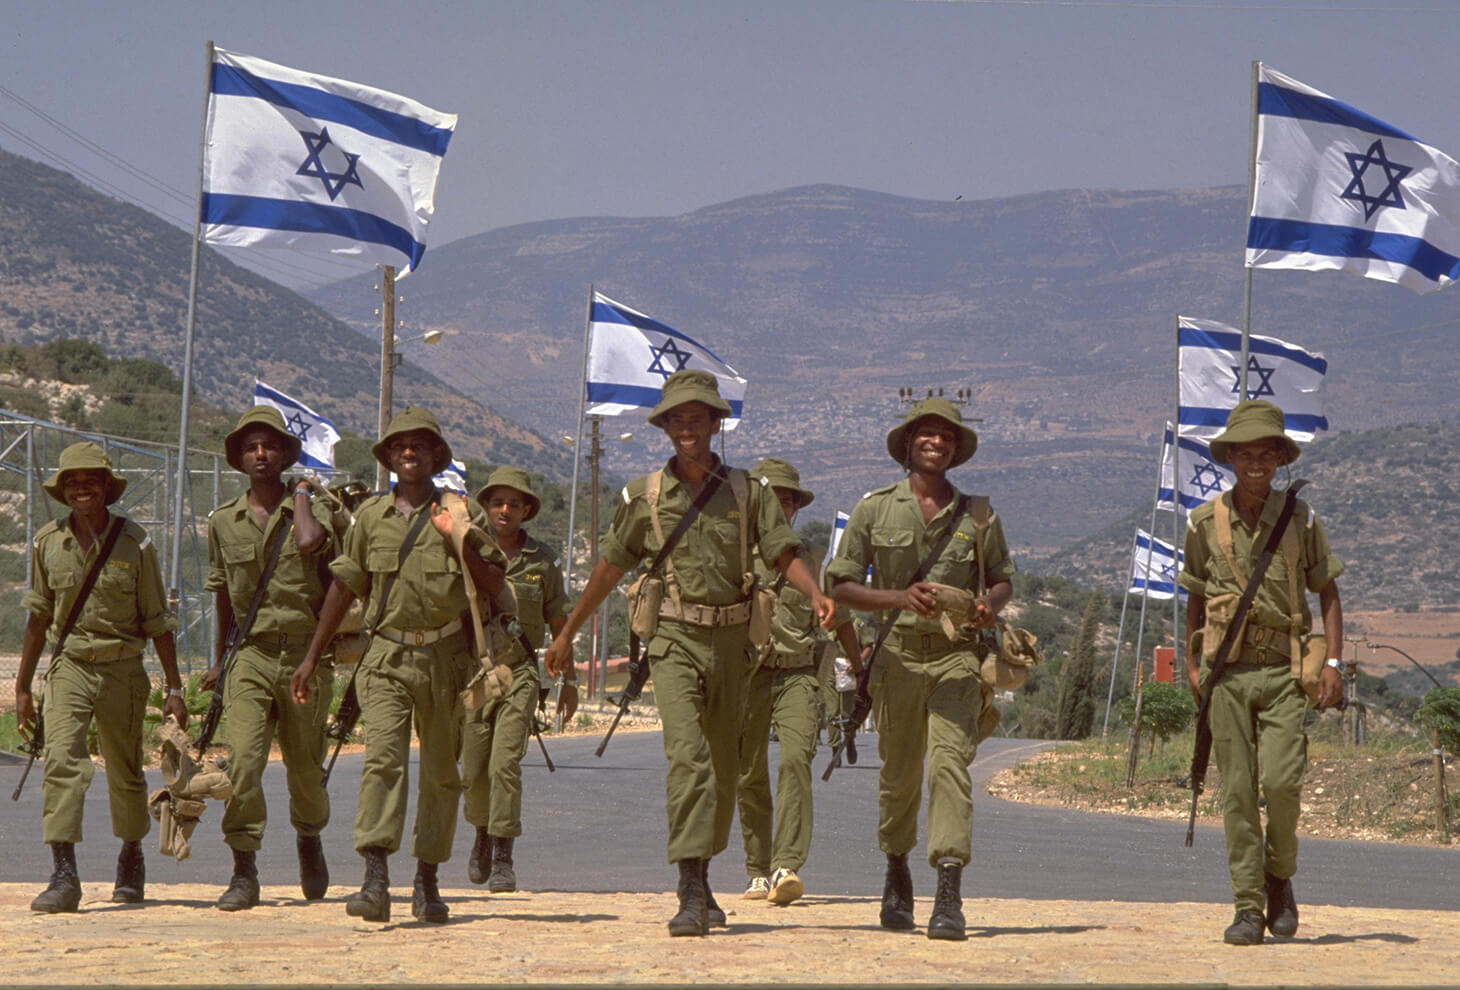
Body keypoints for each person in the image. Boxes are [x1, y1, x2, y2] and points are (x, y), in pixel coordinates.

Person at [542, 369, 833, 937]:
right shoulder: (645, 495)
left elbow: (781, 550)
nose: (687, 426)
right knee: (689, 758)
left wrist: (816, 592)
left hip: (733, 644)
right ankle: (691, 886)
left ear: (716, 423)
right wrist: (567, 632)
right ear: (666, 427)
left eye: (697, 417)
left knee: (724, 770)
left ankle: (703, 876)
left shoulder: (749, 492)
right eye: (677, 418)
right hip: (673, 639)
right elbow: (609, 567)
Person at [290, 407, 507, 925]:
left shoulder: (461, 509)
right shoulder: (369, 517)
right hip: (385, 656)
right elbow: (345, 586)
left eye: (419, 445)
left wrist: (455, 535)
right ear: (387, 457)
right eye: (398, 446)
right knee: (382, 759)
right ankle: (375, 879)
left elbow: (494, 582)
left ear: (436, 455)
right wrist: (312, 655)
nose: (408, 452)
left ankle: (427, 882)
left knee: (438, 771)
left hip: (446, 658)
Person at [826, 397, 1014, 941]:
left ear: (956, 450)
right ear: (908, 444)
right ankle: (896, 868)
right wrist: (898, 599)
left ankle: (949, 892)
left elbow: (1003, 579)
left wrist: (989, 605)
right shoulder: (874, 509)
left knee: (949, 768)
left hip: (957, 657)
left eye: (946, 437)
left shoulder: (980, 516)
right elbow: (840, 585)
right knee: (900, 777)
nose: (936, 442)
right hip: (896, 658)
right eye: (926, 435)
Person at [1177, 399, 1344, 946]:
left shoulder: (1301, 520)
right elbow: (1195, 600)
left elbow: (1327, 591)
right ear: (1229, 459)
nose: (1255, 463)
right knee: (1239, 793)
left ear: (1278, 459)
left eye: (1265, 454)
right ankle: (1248, 906)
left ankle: (1279, 877)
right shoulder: (1204, 523)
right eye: (1244, 453)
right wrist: (1191, 661)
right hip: (1226, 673)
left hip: (1283, 672)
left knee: (1282, 782)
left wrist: (1335, 663)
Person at [15, 441, 186, 913]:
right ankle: (64, 873)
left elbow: (157, 621)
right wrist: (23, 686)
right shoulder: (48, 542)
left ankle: (131, 859)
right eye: (72, 481)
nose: (81, 488)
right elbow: (37, 617)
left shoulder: (136, 542)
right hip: (69, 665)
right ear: (63, 491)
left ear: (108, 487)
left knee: (126, 770)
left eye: (91, 480)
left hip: (123, 669)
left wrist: (173, 689)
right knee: (62, 764)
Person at [203, 407, 336, 911]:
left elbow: (312, 546)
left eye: (270, 446)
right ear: (239, 458)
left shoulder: (312, 513)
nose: (260, 454)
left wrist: (301, 494)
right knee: (243, 763)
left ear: (285, 455)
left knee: (305, 769)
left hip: (304, 654)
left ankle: (309, 837)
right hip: (251, 656)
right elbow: (222, 595)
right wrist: (218, 661)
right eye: (251, 447)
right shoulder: (222, 522)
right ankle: (244, 870)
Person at [736, 458, 862, 907]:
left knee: (794, 760)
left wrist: (860, 669)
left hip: (798, 675)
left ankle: (785, 865)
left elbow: (839, 616)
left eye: (789, 500)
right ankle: (756, 868)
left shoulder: (810, 561)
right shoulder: (735, 553)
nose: (782, 507)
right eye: (773, 499)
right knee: (748, 771)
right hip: (746, 677)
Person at [461, 466, 572, 892]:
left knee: (504, 762)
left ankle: (504, 856)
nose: (505, 510)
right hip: (474, 673)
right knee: (473, 768)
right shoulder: (466, 550)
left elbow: (559, 621)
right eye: (497, 502)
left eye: (514, 503)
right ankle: (482, 835)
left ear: (526, 510)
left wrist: (572, 681)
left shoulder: (541, 560)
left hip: (520, 671)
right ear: (486, 507)